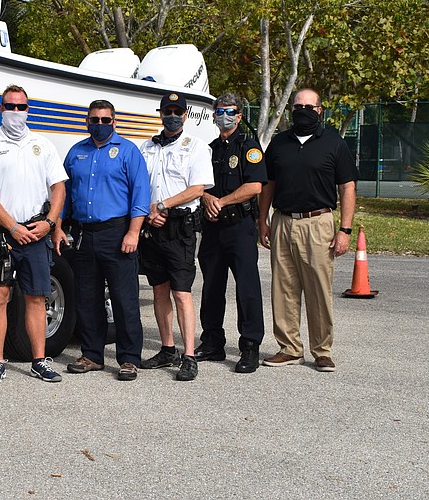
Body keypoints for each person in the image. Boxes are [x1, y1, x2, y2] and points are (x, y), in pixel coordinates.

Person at [0, 84, 68, 385]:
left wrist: (49, 224)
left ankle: (39, 360)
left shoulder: (43, 145)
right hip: (3, 235)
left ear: (28, 110)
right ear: (1, 109)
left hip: (37, 233)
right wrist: (12, 227)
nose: (15, 112)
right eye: (9, 106)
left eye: (20, 107)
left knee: (37, 298)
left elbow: (59, 187)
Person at [258, 88, 357, 373]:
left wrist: (345, 230)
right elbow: (269, 185)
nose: (303, 111)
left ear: (319, 111)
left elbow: (347, 186)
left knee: (318, 290)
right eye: (298, 105)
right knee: (284, 289)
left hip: (318, 223)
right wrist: (262, 220)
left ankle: (322, 351)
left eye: (309, 107)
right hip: (283, 221)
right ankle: (289, 348)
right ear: (291, 109)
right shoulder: (279, 143)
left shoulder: (333, 143)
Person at [52, 99, 150, 381]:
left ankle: (129, 358)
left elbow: (140, 197)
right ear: (87, 121)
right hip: (84, 234)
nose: (99, 125)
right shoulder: (76, 153)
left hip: (118, 234)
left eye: (105, 120)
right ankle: (92, 355)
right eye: (94, 119)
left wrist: (133, 232)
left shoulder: (128, 152)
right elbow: (64, 196)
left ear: (114, 122)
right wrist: (58, 227)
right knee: (87, 298)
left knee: (124, 299)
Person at [138, 91, 214, 381]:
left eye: (176, 112)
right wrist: (148, 211)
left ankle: (189, 355)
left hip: (179, 227)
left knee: (181, 293)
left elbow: (197, 189)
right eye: (166, 111)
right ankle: (167, 348)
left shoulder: (195, 147)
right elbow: (139, 185)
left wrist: (163, 206)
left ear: (185, 115)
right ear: (160, 113)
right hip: (152, 224)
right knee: (159, 290)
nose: (171, 116)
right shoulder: (147, 147)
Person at [196, 92, 267, 374]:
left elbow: (255, 187)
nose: (223, 116)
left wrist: (222, 201)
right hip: (212, 227)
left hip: (240, 227)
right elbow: (198, 183)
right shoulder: (209, 148)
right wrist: (206, 199)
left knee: (247, 289)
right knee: (211, 287)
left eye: (229, 111)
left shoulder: (249, 148)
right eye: (219, 111)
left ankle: (250, 346)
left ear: (239, 115)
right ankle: (212, 341)